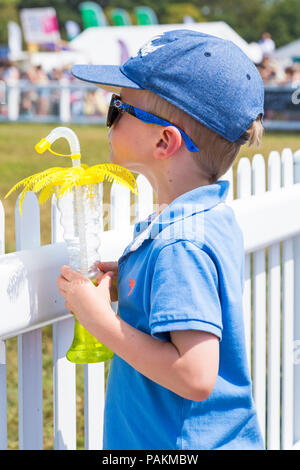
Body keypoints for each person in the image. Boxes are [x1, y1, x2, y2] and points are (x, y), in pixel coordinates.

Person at [56, 30, 265, 450]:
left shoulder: (180, 244)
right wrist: (133, 279)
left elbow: (194, 375)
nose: (110, 114)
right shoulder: (200, 220)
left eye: (120, 107)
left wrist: (99, 321)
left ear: (164, 141)